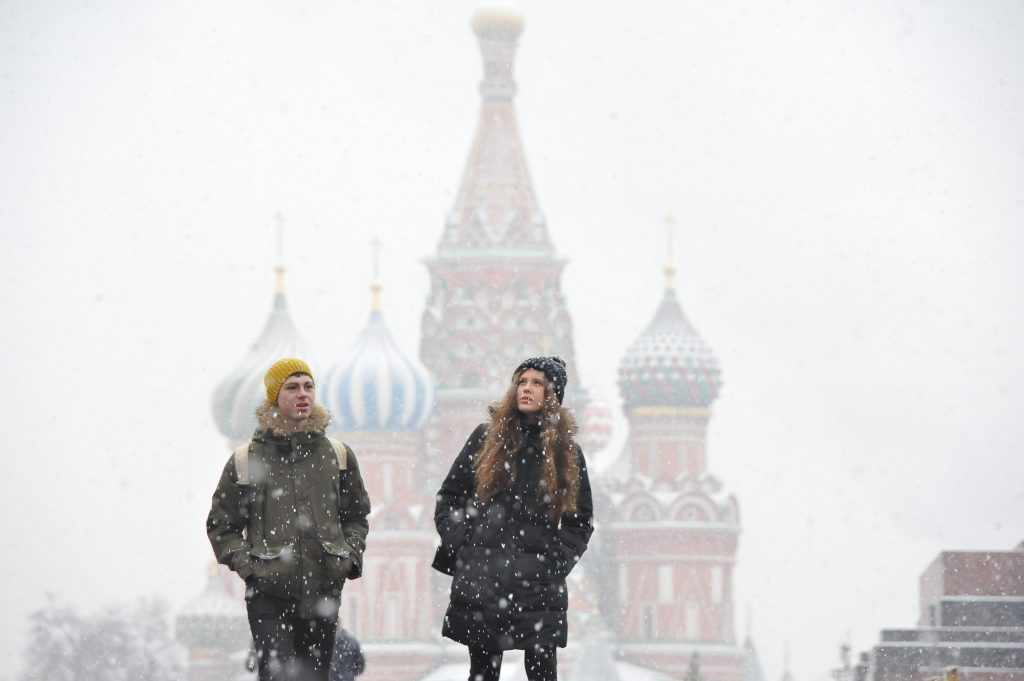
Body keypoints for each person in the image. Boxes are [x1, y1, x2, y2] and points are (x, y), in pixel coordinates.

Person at [208, 357, 371, 681]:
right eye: (292, 387)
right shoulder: (247, 459)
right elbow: (221, 525)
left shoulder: (336, 456)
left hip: (323, 592)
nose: (303, 394)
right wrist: (251, 567)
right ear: (274, 397)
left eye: (308, 386)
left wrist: (346, 557)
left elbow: (357, 516)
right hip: (269, 596)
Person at [433, 356, 594, 681]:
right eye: (522, 381)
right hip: (483, 579)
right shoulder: (486, 438)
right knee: (482, 673)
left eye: (537, 383)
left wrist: (555, 562)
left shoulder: (566, 452)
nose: (527, 389)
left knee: (542, 673)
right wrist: (466, 545)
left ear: (553, 394)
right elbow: (449, 497)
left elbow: (580, 521)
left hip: (538, 586)